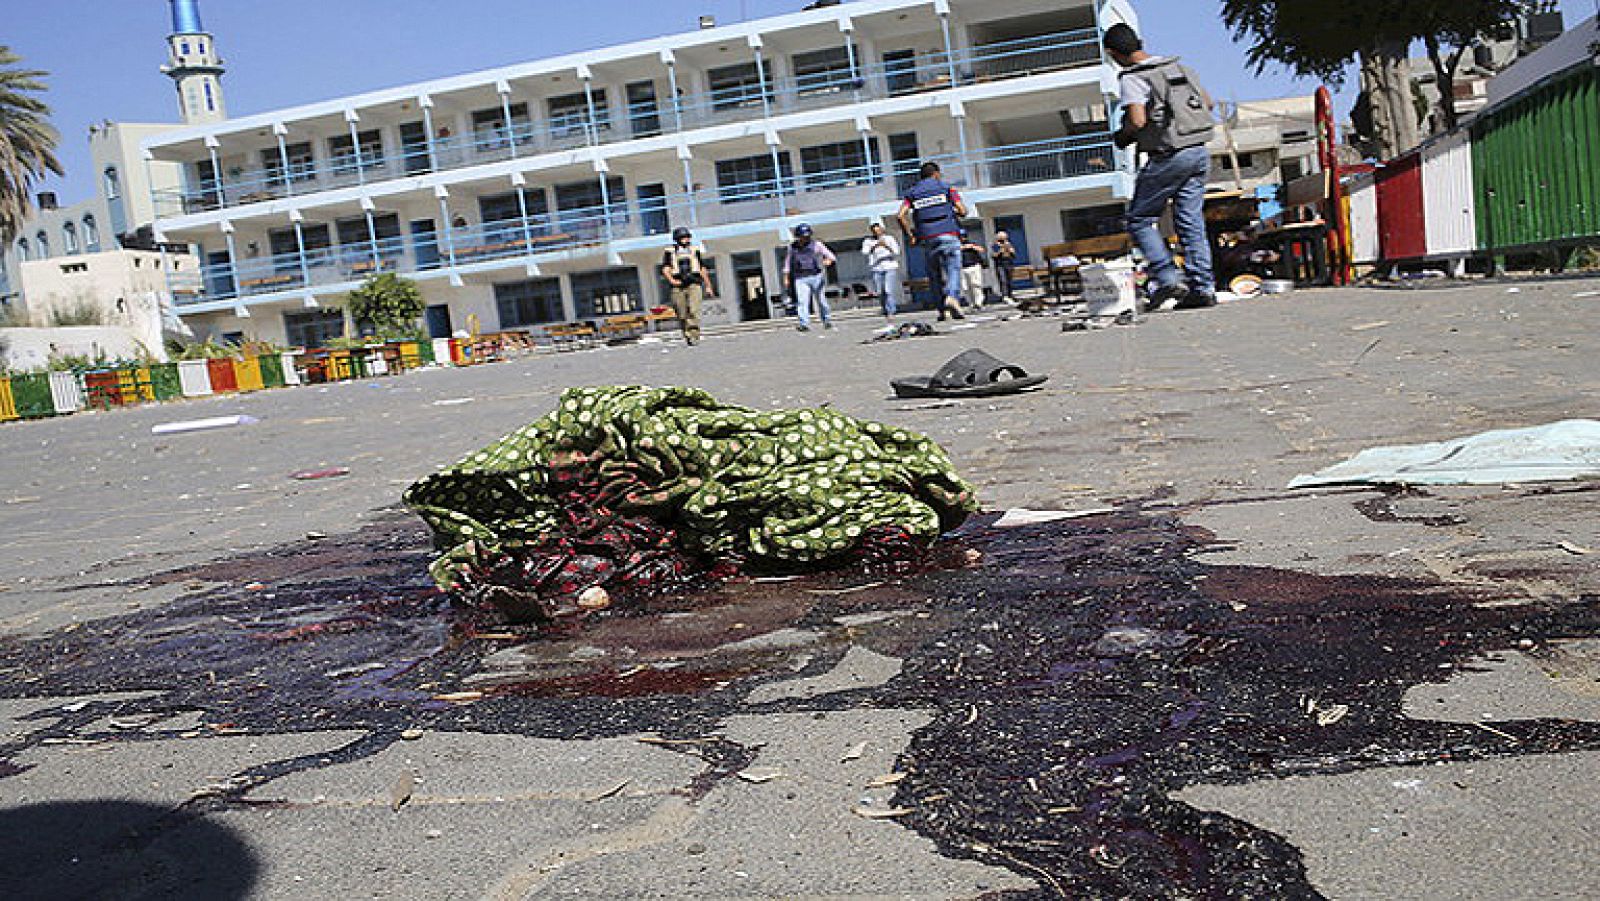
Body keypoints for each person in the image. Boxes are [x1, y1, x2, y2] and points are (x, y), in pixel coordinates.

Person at [1104, 22, 1217, 309]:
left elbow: (1138, 120)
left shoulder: (1133, 77)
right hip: (1198, 151)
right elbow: (1208, 104)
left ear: (1114, 53)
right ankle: (1203, 288)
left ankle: (1169, 280)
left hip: (1168, 154)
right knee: (1190, 221)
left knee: (1139, 219)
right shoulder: (1178, 68)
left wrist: (1125, 135)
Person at [896, 160, 967, 321]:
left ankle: (942, 310)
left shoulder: (912, 193)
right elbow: (962, 210)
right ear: (936, 174)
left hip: (927, 237)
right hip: (949, 233)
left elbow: (900, 215)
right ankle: (952, 297)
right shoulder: (947, 188)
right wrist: (953, 210)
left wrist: (910, 235)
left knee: (934, 275)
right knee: (953, 269)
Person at [660, 226, 715, 345]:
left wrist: (708, 285)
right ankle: (686, 334)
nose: (685, 240)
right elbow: (665, 269)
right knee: (682, 312)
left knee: (694, 309)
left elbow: (702, 269)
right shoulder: (670, 251)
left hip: (693, 283)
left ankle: (693, 335)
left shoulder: (695, 250)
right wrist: (672, 280)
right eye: (682, 237)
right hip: (678, 284)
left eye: (686, 237)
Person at [783, 223, 836, 332]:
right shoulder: (792, 247)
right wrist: (786, 277)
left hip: (816, 276)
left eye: (807, 236)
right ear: (798, 237)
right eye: (802, 237)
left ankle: (827, 320)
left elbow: (831, 256)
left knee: (821, 300)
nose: (805, 239)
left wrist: (828, 260)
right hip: (800, 278)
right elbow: (788, 263)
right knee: (802, 301)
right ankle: (804, 323)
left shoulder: (817, 245)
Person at [861, 223, 902, 319]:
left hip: (889, 267)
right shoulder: (868, 241)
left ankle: (891, 311)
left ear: (882, 229)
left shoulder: (889, 238)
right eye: (874, 231)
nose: (877, 232)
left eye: (878, 230)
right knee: (880, 292)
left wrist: (886, 246)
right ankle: (885, 309)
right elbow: (865, 252)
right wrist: (875, 246)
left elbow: (897, 252)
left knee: (888, 290)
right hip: (876, 268)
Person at [959, 231, 989, 309]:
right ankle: (971, 303)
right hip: (962, 268)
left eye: (964, 236)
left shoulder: (972, 244)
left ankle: (979, 302)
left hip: (974, 266)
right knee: (965, 287)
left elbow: (982, 250)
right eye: (961, 237)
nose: (963, 238)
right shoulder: (956, 246)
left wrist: (972, 247)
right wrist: (961, 248)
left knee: (976, 284)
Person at [991, 231, 1019, 301]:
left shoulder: (1009, 244)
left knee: (1009, 279)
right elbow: (994, 255)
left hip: (1009, 263)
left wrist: (1010, 249)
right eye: (1001, 237)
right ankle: (1004, 295)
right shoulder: (995, 246)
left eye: (1004, 237)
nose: (1003, 239)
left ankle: (1010, 294)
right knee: (1003, 280)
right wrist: (1001, 250)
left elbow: (1014, 254)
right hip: (1000, 264)